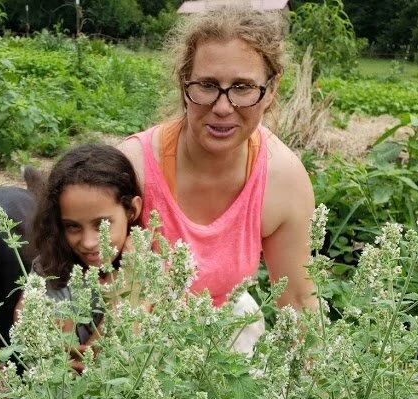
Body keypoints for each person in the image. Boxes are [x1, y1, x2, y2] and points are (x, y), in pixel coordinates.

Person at [118, 7, 316, 312]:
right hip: (140, 341)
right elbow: (90, 282)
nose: (223, 107)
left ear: (271, 89)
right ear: (185, 84)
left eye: (243, 87)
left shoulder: (282, 178)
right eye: (207, 85)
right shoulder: (135, 167)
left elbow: (298, 301)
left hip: (224, 331)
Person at [26, 143, 143, 347]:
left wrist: (133, 276)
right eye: (72, 226)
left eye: (102, 225)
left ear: (132, 210)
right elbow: (70, 367)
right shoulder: (52, 274)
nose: (88, 242)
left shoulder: (148, 265)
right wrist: (127, 294)